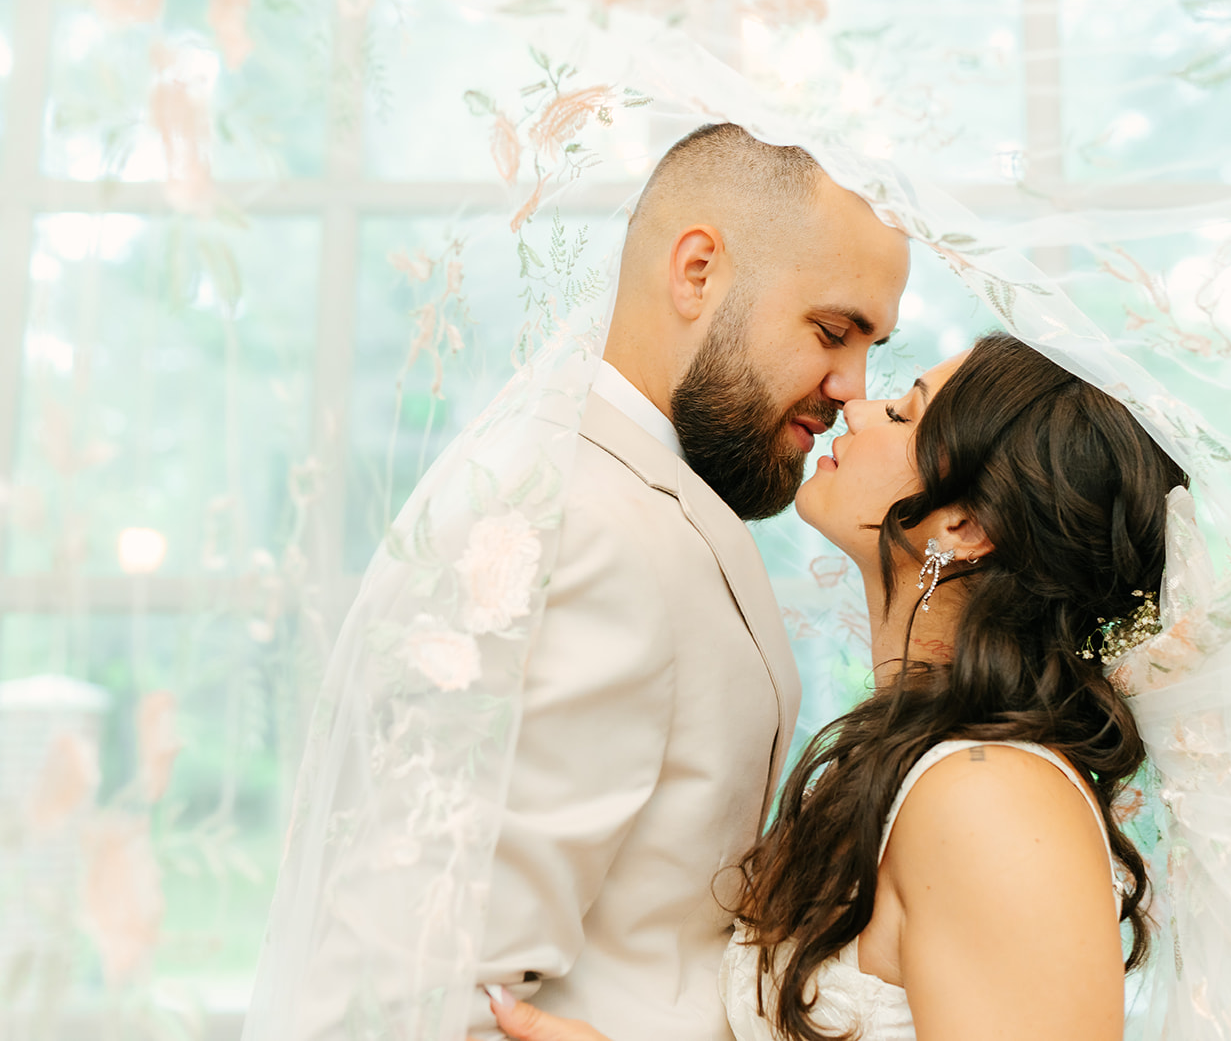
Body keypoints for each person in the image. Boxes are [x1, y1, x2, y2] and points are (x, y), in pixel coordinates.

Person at [250, 122, 909, 1041]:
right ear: (696, 271)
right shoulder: (579, 529)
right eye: (834, 331)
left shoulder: (641, 491)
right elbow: (414, 991)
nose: (853, 384)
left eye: (872, 346)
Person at [479, 332, 1183, 1040]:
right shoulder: (924, 765)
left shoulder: (991, 796)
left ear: (966, 524)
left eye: (904, 415)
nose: (858, 408)